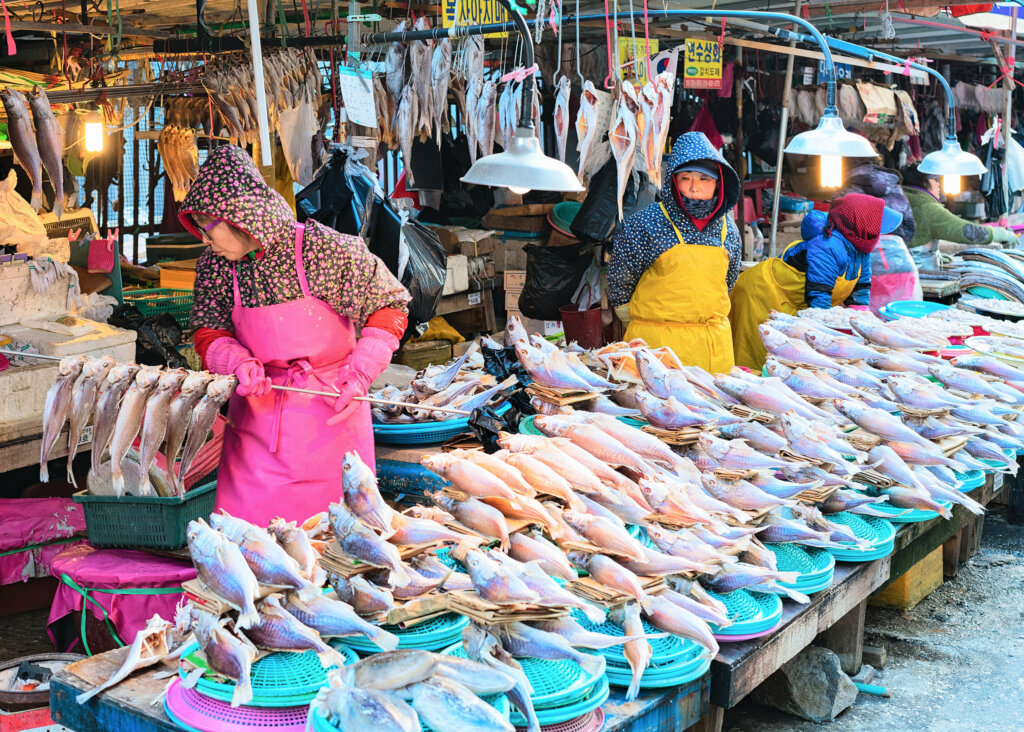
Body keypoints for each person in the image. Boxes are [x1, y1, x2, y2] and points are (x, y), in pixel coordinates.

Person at [181, 145, 411, 525]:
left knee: (338, 543)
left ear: (240, 217)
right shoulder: (216, 267)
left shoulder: (323, 249)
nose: (204, 241)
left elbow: (389, 305)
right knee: (248, 543)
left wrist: (362, 373)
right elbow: (208, 329)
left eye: (206, 228)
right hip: (256, 428)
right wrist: (234, 360)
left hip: (333, 417)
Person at [608, 131, 741, 373]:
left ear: (718, 183)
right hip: (655, 348)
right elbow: (620, 284)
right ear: (673, 181)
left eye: (704, 179)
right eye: (686, 178)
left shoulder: (728, 231)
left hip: (713, 350)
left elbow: (729, 281)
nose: (694, 187)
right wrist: (642, 324)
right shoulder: (646, 223)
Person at [730, 193, 902, 370]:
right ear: (860, 223)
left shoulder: (861, 250)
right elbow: (819, 297)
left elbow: (860, 290)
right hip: (761, 293)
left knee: (786, 358)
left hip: (794, 303)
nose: (878, 232)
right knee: (760, 355)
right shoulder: (827, 246)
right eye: (875, 224)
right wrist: (828, 341)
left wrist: (863, 324)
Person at [901, 163, 1019, 248]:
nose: (938, 184)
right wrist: (999, 234)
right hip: (916, 272)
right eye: (934, 179)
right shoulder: (928, 208)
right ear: (923, 182)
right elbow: (966, 231)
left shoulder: (905, 200)